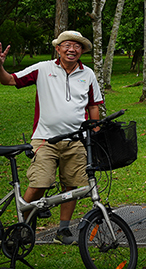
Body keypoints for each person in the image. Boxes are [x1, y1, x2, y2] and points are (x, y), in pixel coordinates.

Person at [0, 30, 103, 245]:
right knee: (39, 183)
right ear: (58, 48)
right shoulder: (42, 68)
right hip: (45, 139)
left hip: (76, 139)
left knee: (72, 186)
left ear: (82, 50)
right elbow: (9, 80)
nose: (72, 49)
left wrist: (94, 133)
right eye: (67, 45)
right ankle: (22, 227)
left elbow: (94, 105)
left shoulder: (89, 74)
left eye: (77, 46)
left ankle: (63, 230)